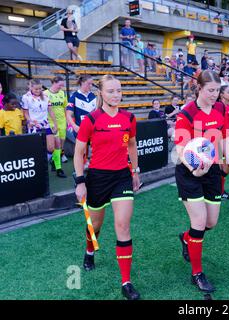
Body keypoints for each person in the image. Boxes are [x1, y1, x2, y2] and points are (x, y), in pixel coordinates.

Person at [74, 75, 141, 300]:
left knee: (123, 225)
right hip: (97, 179)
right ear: (101, 93)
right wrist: (80, 181)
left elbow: (131, 144)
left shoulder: (129, 118)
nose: (116, 95)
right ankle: (90, 250)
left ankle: (126, 282)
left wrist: (135, 171)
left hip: (122, 176)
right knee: (95, 225)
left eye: (119, 91)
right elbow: (78, 152)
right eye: (111, 91)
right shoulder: (90, 120)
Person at [175, 70, 229, 293]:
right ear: (199, 88)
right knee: (199, 222)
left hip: (212, 172)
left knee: (211, 223)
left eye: (217, 90)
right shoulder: (187, 114)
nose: (214, 94)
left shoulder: (222, 108)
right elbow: (181, 149)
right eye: (210, 90)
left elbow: (225, 138)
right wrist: (194, 167)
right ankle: (197, 273)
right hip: (189, 172)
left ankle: (185, 238)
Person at [22, 79, 62, 177]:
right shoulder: (25, 97)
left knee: (51, 148)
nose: (38, 91)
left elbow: (50, 110)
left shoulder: (46, 96)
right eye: (36, 89)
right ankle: (37, 168)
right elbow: (25, 113)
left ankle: (43, 164)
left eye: (40, 88)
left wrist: (55, 124)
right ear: (30, 87)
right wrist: (30, 121)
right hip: (34, 126)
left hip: (45, 124)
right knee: (35, 149)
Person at [45, 76, 68, 177]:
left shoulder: (62, 93)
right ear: (54, 82)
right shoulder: (45, 94)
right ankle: (59, 168)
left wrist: (67, 120)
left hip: (62, 121)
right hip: (51, 122)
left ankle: (54, 161)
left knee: (61, 145)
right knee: (56, 143)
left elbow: (65, 107)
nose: (61, 87)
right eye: (60, 85)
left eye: (63, 85)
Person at [217, 83, 229, 200]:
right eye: (228, 92)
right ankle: (218, 191)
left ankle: (220, 190)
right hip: (218, 142)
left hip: (226, 140)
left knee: (226, 168)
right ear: (221, 94)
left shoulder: (228, 107)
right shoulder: (218, 106)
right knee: (221, 167)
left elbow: (228, 124)